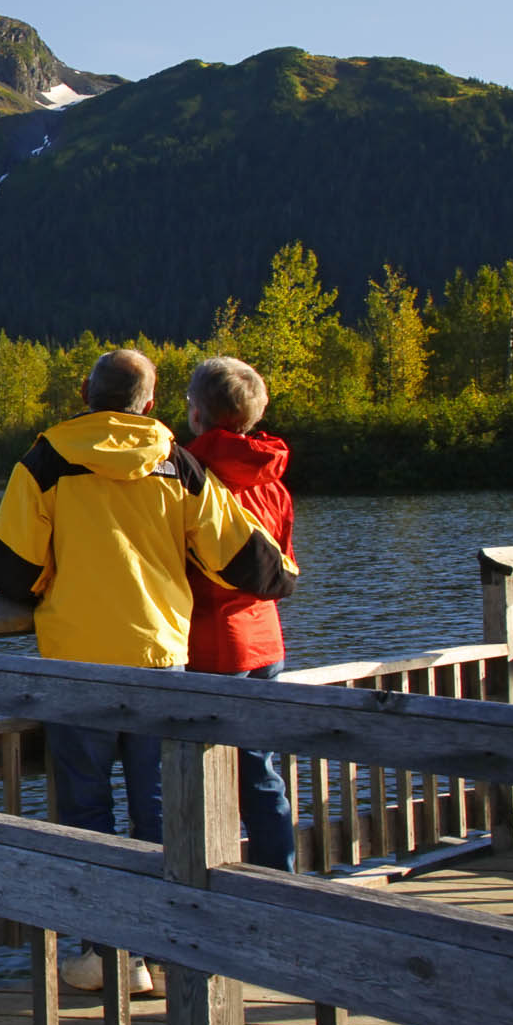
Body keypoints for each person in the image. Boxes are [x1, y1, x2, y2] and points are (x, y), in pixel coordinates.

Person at [0, 348, 297, 993]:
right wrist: (283, 573)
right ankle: (165, 950)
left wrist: (51, 581)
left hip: (77, 661)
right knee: (159, 809)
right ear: (150, 403)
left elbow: (12, 571)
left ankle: (104, 954)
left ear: (85, 392)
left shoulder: (45, 459)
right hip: (160, 658)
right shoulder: (178, 463)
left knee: (86, 808)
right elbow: (246, 560)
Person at [183, 356, 298, 873]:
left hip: (210, 643)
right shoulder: (272, 476)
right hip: (265, 641)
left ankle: (206, 884)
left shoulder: (190, 474)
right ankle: (281, 878)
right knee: (259, 769)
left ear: (197, 414)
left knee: (199, 772)